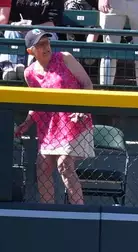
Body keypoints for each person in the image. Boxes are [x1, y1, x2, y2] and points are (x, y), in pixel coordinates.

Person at [14, 29, 95, 205]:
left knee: (64, 164)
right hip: (50, 128)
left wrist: (82, 108)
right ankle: (49, 214)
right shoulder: (29, 73)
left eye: (47, 42)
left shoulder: (65, 58)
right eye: (40, 44)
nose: (46, 47)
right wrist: (27, 123)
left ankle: (79, 213)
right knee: (42, 167)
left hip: (76, 122)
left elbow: (87, 84)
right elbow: (36, 104)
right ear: (30, 51)